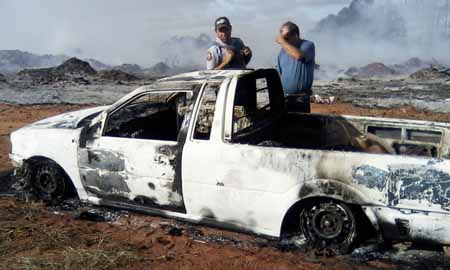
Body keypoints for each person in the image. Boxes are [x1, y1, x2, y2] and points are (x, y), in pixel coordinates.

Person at [276, 21, 315, 113]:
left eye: (286, 37)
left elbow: (298, 56)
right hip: (285, 98)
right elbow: (279, 73)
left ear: (295, 35)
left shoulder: (308, 45)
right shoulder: (282, 51)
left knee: (300, 125)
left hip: (300, 99)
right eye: (282, 37)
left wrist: (282, 41)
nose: (284, 40)